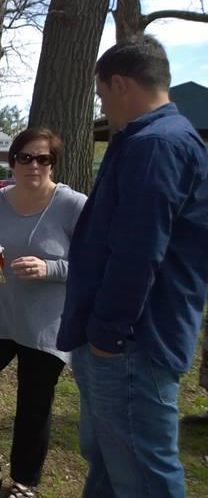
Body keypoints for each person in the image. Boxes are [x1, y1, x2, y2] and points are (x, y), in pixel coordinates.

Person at [57, 35, 208, 498]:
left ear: (120, 83)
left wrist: (108, 335)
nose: (104, 106)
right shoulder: (150, 140)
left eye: (102, 95)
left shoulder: (157, 145)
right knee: (110, 459)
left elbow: (138, 250)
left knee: (142, 473)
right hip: (125, 337)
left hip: (133, 340)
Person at [0, 128, 86, 496]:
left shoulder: (73, 205)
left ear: (53, 163)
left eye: (44, 159)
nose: (34, 165)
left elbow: (92, 263)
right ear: (13, 160)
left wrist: (49, 269)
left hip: (44, 325)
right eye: (26, 157)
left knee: (33, 402)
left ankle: (25, 480)